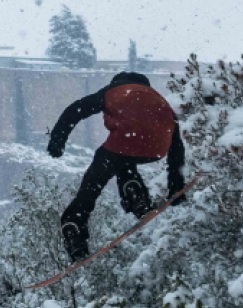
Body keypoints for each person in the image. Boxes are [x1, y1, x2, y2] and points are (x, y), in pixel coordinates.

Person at [46, 71, 186, 263]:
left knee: (93, 183)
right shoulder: (157, 99)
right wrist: (176, 187)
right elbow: (177, 146)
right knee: (124, 159)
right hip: (158, 146)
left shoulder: (114, 91)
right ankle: (135, 194)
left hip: (124, 144)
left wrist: (57, 141)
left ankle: (74, 226)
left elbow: (76, 109)